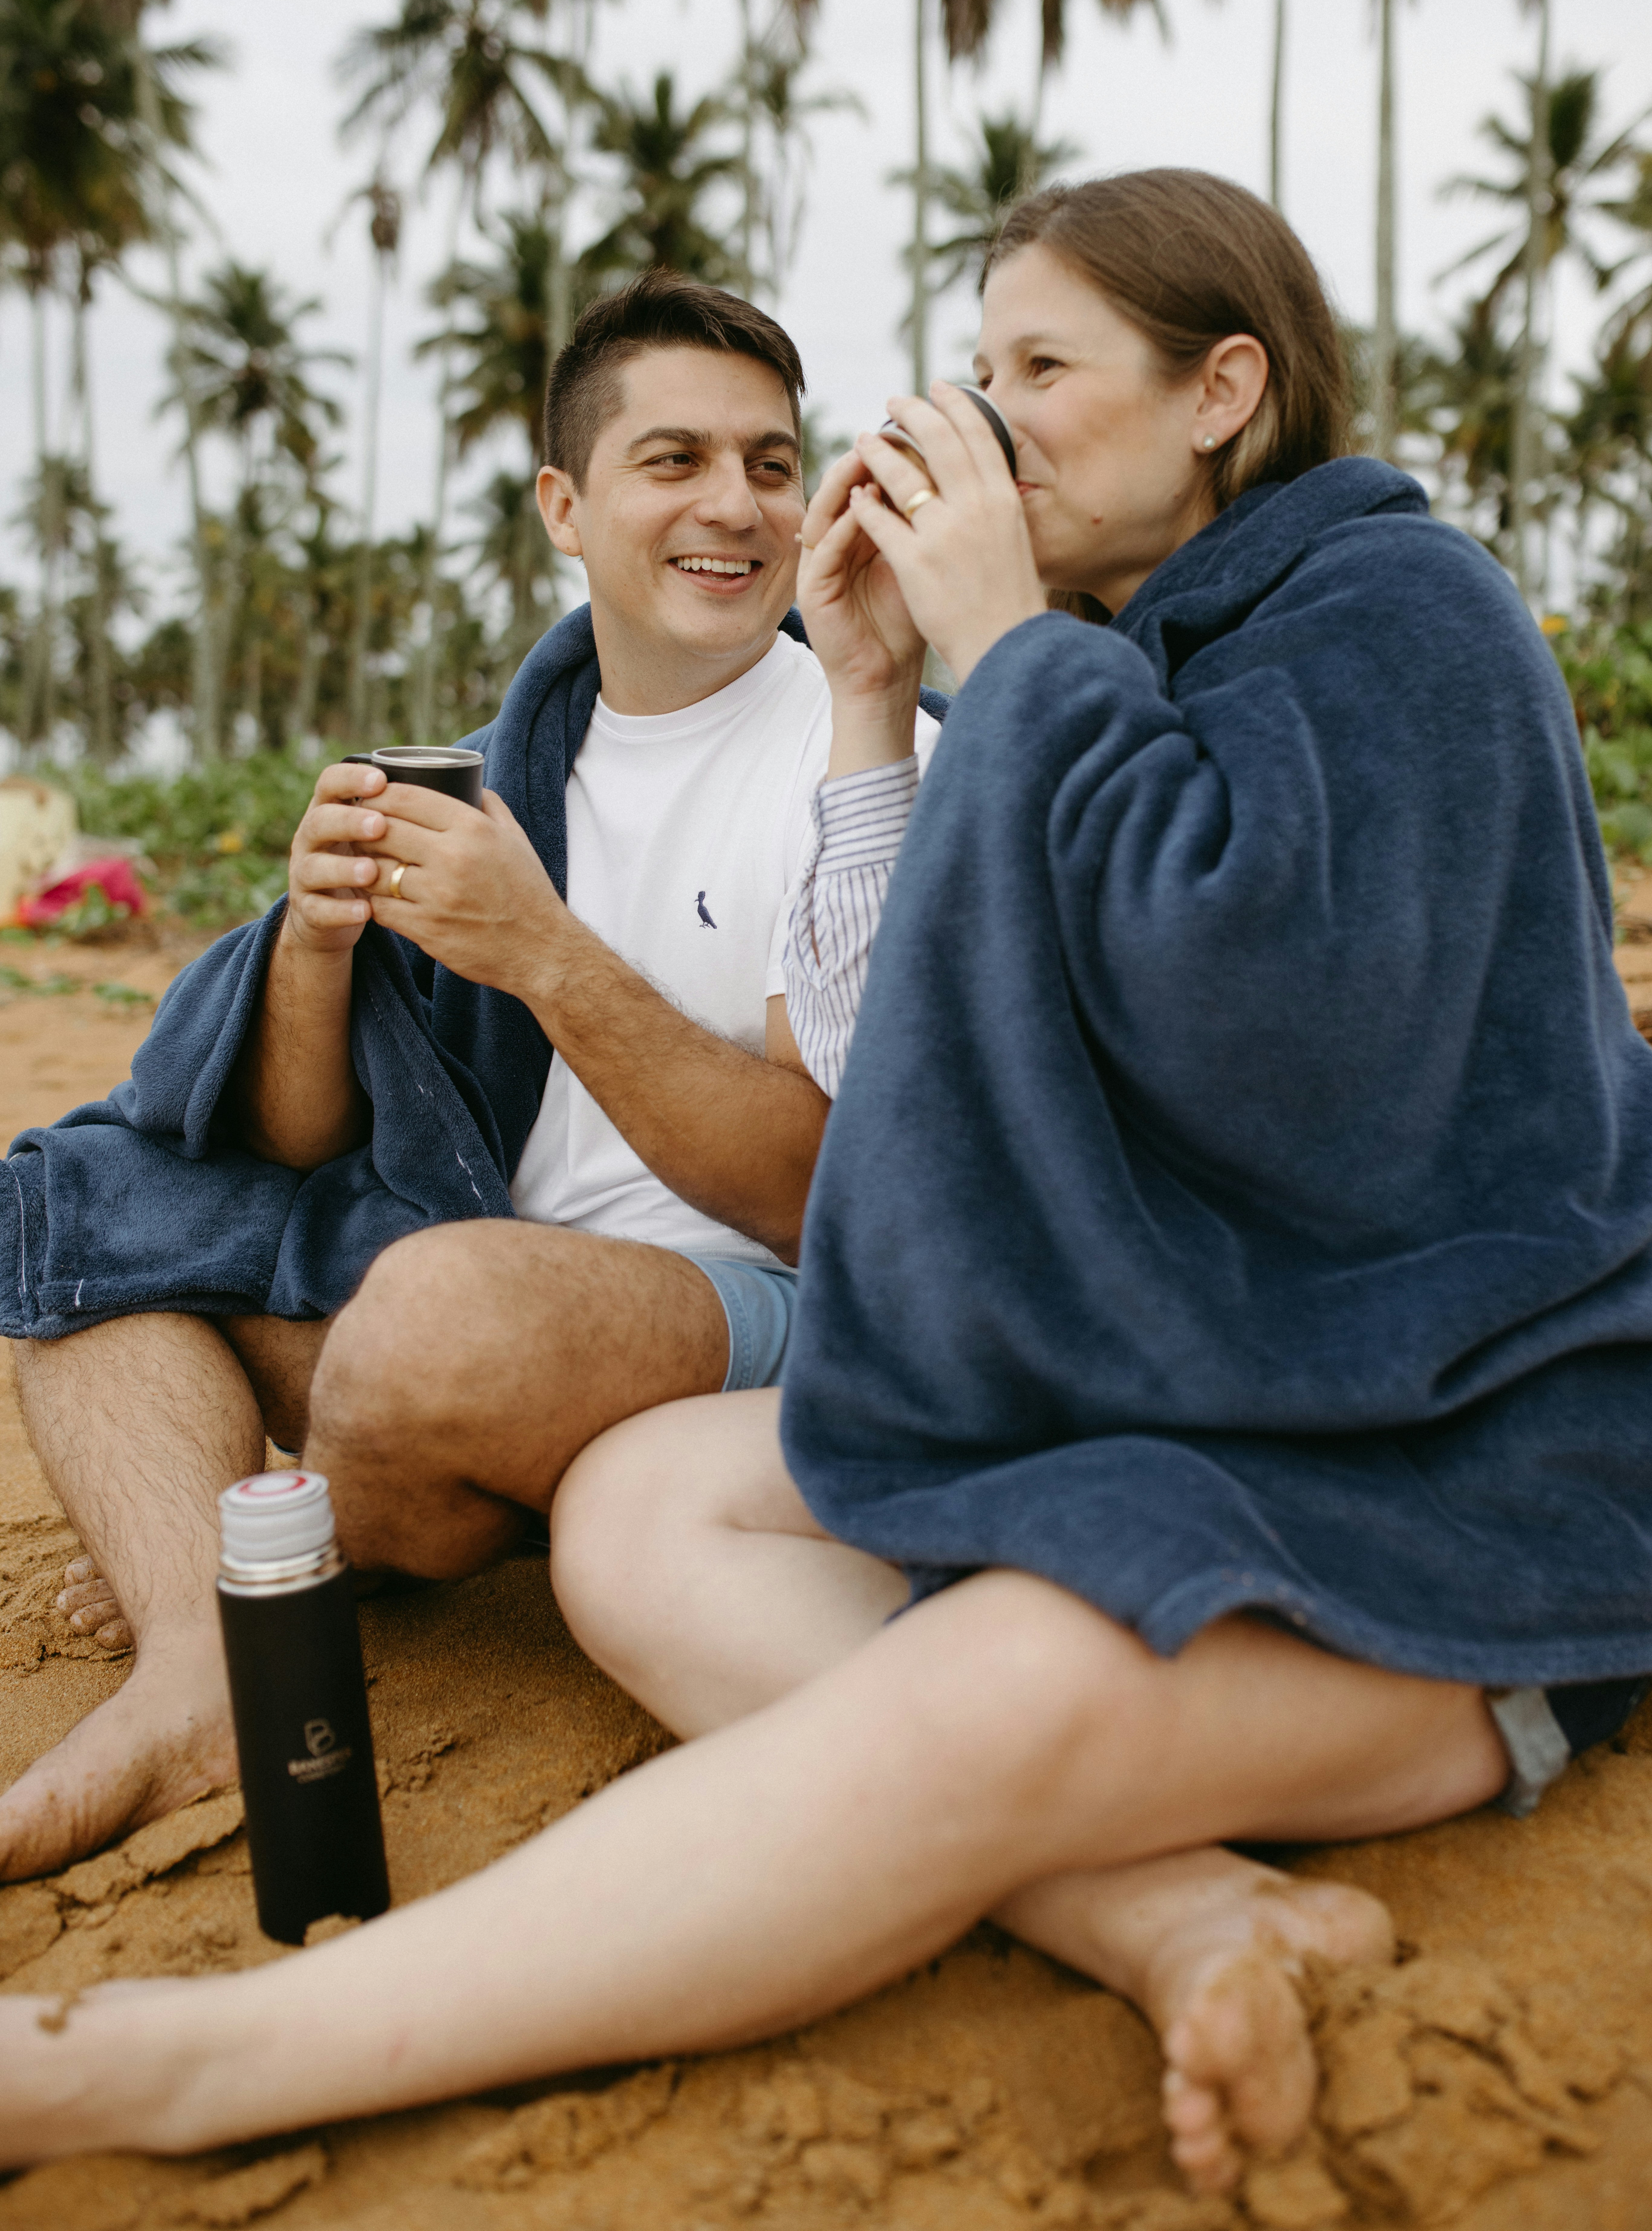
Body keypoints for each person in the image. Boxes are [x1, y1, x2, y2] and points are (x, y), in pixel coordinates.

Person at [7, 170, 1652, 2203]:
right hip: (1221, 1398)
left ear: (1221, 389)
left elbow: (1257, 1030)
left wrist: (989, 652)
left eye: (1037, 370)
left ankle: (175, 2066)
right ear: (561, 505)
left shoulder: (1405, 611)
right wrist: (888, 686)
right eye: (978, 369)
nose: (980, 417)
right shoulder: (1134, 650)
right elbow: (918, 1067)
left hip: (1448, 1476)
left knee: (984, 1705)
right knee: (635, 1504)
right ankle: (1179, 1908)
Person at [0, 269, 937, 1886]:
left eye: (771, 464)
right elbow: (306, 1133)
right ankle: (204, 1658)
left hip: (740, 1307)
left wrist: (543, 951)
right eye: (676, 461)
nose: (736, 507)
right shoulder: (507, 766)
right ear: (564, 506)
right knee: (76, 1221)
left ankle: (293, 1540)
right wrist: (311, 946)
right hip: (469, 1282)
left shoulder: (854, 751)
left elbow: (824, 1190)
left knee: (436, 1321)